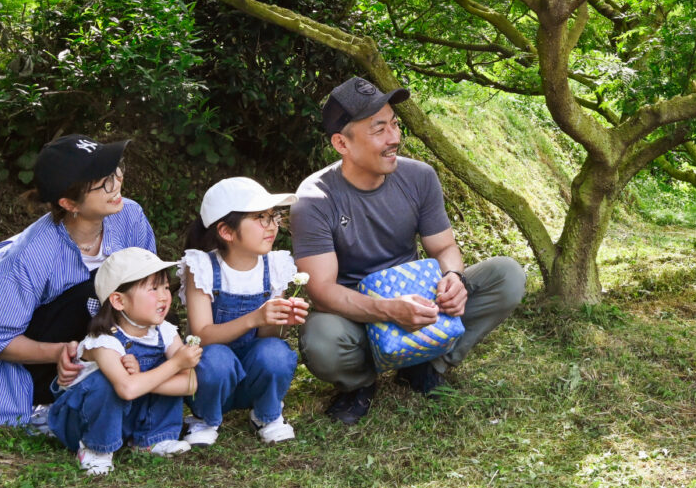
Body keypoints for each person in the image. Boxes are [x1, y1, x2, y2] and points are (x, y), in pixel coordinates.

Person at [291, 76, 527, 425]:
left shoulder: (420, 177)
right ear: (342, 143)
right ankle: (359, 383)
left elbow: (444, 245)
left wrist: (453, 277)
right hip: (357, 314)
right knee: (322, 339)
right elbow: (322, 292)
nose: (395, 138)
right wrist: (387, 310)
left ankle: (425, 365)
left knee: (507, 275)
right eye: (379, 129)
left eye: (395, 124)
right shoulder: (314, 199)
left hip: (420, 301)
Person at [0, 134, 157, 428]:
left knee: (129, 287)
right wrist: (60, 353)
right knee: (91, 290)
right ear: (70, 203)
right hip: (40, 358)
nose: (116, 183)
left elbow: (149, 286)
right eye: (104, 182)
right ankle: (48, 400)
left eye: (115, 170)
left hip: (100, 346)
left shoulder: (129, 216)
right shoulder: (30, 254)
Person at [47, 248, 203, 475]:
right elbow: (128, 389)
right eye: (153, 289)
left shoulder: (165, 332)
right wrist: (174, 365)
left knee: (161, 371)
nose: (164, 296)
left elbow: (190, 384)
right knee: (105, 382)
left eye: (166, 288)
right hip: (80, 422)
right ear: (119, 301)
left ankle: (152, 438)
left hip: (124, 419)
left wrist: (146, 377)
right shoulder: (103, 342)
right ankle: (95, 448)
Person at [178, 177, 307, 446]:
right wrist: (254, 317)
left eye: (274, 217)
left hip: (250, 377)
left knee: (276, 352)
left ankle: (266, 414)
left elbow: (267, 338)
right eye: (260, 218)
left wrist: (281, 319)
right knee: (215, 358)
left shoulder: (276, 265)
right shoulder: (202, 267)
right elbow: (201, 336)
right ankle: (205, 418)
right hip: (212, 377)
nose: (272, 226)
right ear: (226, 231)